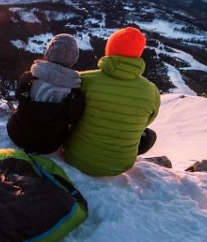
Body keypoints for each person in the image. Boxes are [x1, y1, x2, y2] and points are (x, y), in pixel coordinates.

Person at [63, 27, 160, 176]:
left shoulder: (84, 79)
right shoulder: (151, 91)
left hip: (76, 157)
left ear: (109, 49)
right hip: (120, 166)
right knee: (149, 135)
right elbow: (146, 122)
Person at [7, 33, 85, 154]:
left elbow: (18, 97)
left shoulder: (28, 77)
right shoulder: (75, 92)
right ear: (74, 59)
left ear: (47, 53)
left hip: (17, 134)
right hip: (49, 145)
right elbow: (73, 118)